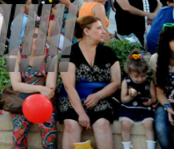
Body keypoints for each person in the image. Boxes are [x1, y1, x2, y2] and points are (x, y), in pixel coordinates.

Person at [58, 16, 121, 149]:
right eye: (99, 28)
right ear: (86, 31)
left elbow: (116, 82)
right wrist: (81, 113)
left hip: (101, 98)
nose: (104, 31)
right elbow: (69, 86)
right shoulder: (66, 53)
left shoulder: (109, 52)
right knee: (71, 124)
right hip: (72, 100)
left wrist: (98, 96)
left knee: (102, 124)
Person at [8, 21, 58, 149]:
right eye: (34, 36)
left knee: (48, 131)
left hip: (43, 102)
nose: (38, 40)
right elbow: (16, 85)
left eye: (41, 36)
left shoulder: (51, 56)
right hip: (22, 101)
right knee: (19, 131)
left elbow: (51, 87)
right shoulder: (16, 54)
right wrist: (40, 88)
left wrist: (42, 91)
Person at [119, 51, 156, 149]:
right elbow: (123, 99)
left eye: (143, 75)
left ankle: (150, 146)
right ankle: (126, 146)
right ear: (130, 73)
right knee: (125, 124)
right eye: (136, 76)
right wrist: (130, 96)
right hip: (129, 108)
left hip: (144, 108)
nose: (140, 79)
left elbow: (154, 97)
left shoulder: (149, 81)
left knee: (149, 124)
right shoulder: (126, 81)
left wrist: (151, 101)